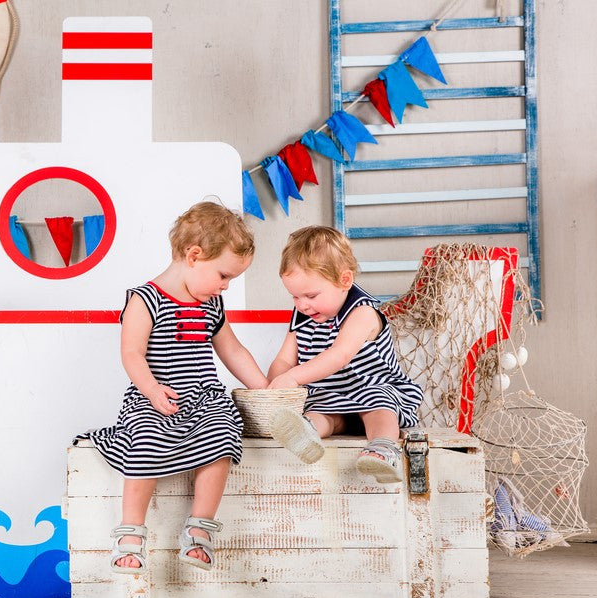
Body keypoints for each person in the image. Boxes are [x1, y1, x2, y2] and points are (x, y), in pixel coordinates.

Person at [81, 201, 268, 575]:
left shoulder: (211, 304)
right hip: (155, 397)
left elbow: (231, 350)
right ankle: (131, 532)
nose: (225, 286)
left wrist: (265, 389)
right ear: (194, 255)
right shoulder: (145, 299)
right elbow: (132, 353)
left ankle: (199, 526)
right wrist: (151, 389)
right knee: (144, 441)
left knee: (224, 432)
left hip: (203, 399)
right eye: (223, 275)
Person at [266, 226, 423, 483]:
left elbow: (340, 355)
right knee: (318, 411)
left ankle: (383, 447)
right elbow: (284, 359)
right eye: (294, 296)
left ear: (344, 281)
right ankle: (307, 433)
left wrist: (293, 377)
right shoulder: (302, 317)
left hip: (371, 389)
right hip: (333, 398)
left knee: (379, 404)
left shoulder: (361, 311)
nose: (302, 304)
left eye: (311, 295)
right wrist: (276, 388)